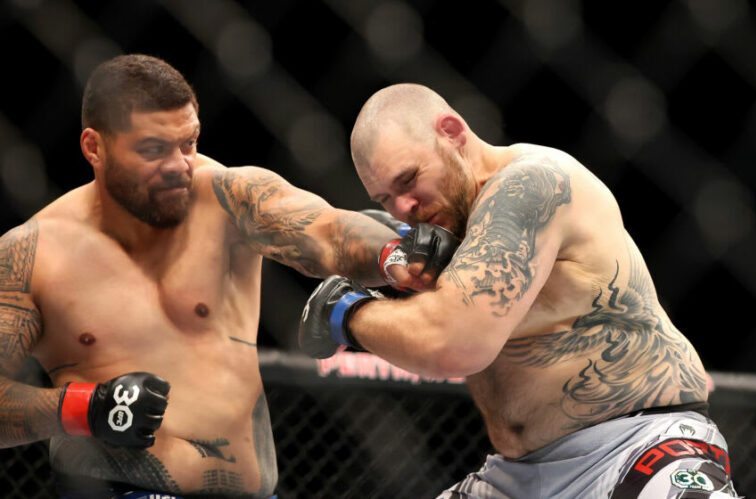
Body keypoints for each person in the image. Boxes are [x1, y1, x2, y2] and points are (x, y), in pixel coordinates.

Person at [0, 56, 457, 499]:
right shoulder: (32, 255)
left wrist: (394, 253)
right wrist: (84, 407)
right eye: (154, 149)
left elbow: (324, 228)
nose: (180, 165)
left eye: (189, 143)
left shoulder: (224, 197)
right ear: (94, 148)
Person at [298, 83, 741, 498]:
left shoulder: (529, 184)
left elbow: (451, 342)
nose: (404, 207)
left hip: (637, 446)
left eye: (409, 179)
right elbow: (338, 228)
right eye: (385, 198)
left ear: (451, 133)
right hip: (519, 476)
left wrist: (347, 312)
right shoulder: (441, 227)